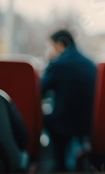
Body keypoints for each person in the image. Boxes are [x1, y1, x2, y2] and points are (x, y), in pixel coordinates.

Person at [41, 29, 97, 171]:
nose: (49, 51)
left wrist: (49, 63)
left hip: (63, 124)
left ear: (60, 45)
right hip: (88, 123)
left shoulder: (58, 64)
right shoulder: (90, 63)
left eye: (50, 46)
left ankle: (58, 163)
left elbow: (39, 91)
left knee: (47, 118)